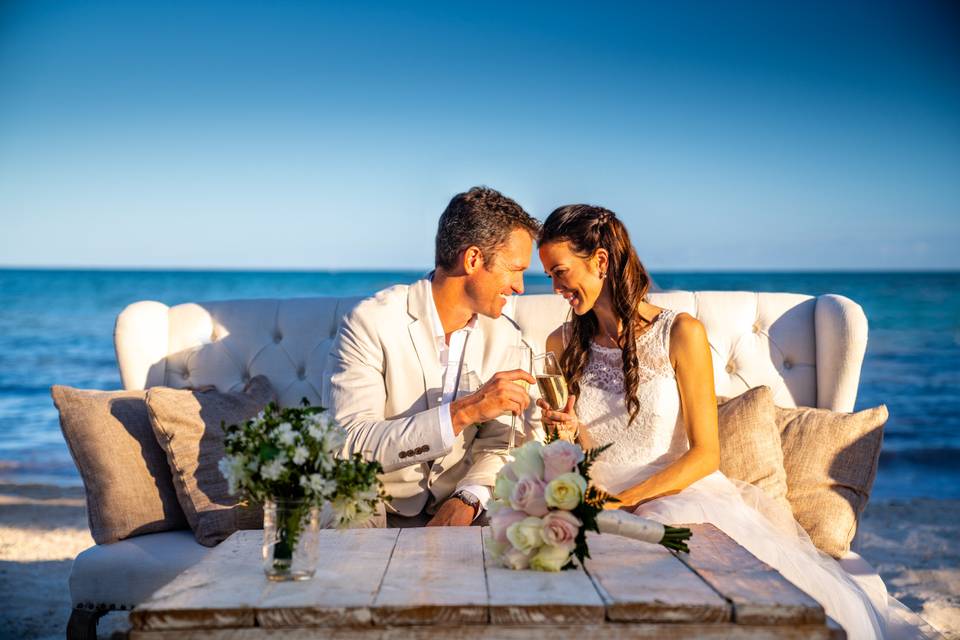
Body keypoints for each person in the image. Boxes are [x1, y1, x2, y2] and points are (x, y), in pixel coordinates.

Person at [535, 204, 932, 639]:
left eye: (559, 271)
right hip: (595, 501)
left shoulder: (681, 333)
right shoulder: (563, 343)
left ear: (601, 261)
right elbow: (569, 452)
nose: (555, 287)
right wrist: (565, 434)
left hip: (675, 496)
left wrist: (627, 500)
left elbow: (706, 455)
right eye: (550, 275)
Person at [324, 187, 540, 527]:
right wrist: (464, 411)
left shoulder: (507, 336)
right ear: (472, 260)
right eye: (515, 269)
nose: (520, 287)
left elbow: (502, 442)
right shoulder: (370, 322)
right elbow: (349, 444)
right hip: (375, 503)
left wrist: (468, 497)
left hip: (462, 506)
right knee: (349, 511)